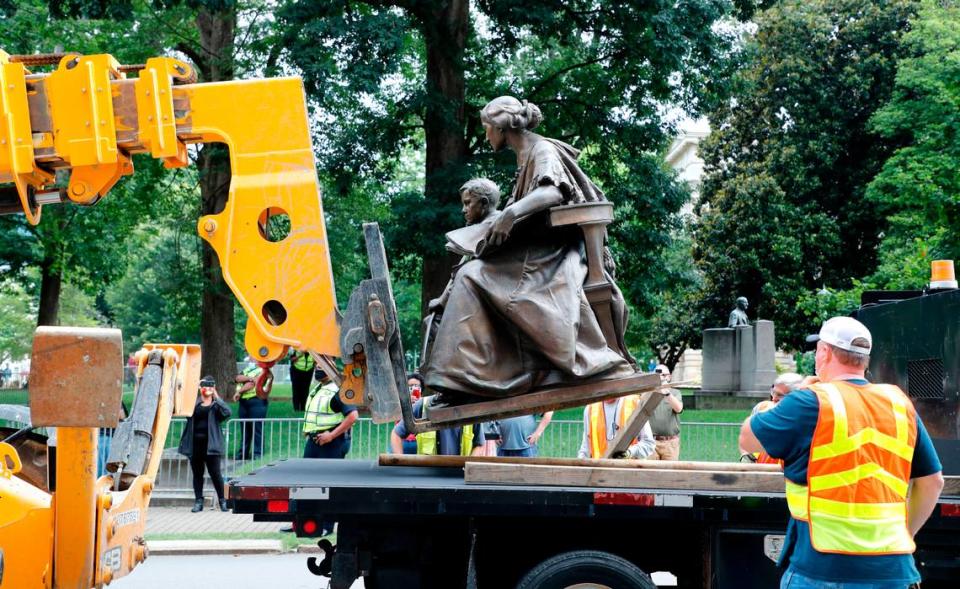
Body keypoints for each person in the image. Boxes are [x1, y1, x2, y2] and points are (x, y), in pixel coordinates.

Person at [422, 96, 634, 400]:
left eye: (486, 128)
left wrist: (510, 214)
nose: (485, 136)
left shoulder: (541, 150)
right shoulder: (524, 156)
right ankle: (467, 379)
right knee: (470, 273)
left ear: (500, 126)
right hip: (535, 253)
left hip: (552, 257)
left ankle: (466, 379)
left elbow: (552, 191)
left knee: (471, 276)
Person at [739, 316, 944, 588]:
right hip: (893, 568)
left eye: (817, 349)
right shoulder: (898, 403)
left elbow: (748, 439)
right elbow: (933, 482)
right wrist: (904, 534)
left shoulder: (811, 400)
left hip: (823, 570)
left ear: (824, 353)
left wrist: (798, 392)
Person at [177, 376, 232, 513]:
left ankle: (223, 500)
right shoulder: (194, 403)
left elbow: (227, 412)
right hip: (195, 445)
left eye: (210, 386)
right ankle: (198, 501)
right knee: (197, 474)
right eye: (204, 386)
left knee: (215, 474)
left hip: (211, 446)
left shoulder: (216, 405)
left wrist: (216, 395)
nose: (207, 388)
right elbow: (182, 408)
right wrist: (194, 389)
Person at [740, 372, 804, 464]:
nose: (774, 398)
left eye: (780, 395)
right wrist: (746, 456)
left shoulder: (803, 417)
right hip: (760, 470)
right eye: (773, 392)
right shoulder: (761, 408)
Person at [390, 396, 486, 456]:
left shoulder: (470, 410)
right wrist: (400, 462)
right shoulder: (423, 405)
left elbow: (480, 444)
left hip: (458, 475)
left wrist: (468, 466)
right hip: (427, 477)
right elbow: (396, 434)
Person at [577, 395, 656, 459]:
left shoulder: (634, 403)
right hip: (600, 473)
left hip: (628, 473)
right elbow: (586, 449)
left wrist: (629, 452)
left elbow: (648, 443)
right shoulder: (590, 409)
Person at [302, 369, 358, 459]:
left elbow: (353, 416)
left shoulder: (340, 388)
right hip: (314, 442)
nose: (317, 367)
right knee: (306, 472)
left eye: (321, 365)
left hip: (332, 444)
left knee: (329, 473)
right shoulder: (318, 388)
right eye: (316, 364)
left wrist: (331, 436)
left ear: (332, 365)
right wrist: (309, 430)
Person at [647, 365, 683, 461]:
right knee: (650, 473)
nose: (661, 377)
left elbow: (679, 409)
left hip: (670, 443)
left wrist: (667, 392)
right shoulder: (649, 393)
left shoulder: (675, 393)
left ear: (669, 377)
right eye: (657, 375)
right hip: (651, 442)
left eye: (663, 375)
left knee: (669, 473)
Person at [235, 364, 268, 461]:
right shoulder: (248, 368)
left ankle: (258, 454)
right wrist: (250, 378)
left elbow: (254, 383)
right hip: (244, 403)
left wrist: (239, 392)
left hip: (257, 401)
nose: (251, 356)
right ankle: (242, 454)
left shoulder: (265, 369)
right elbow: (237, 378)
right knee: (245, 429)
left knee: (257, 429)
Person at [398, 373, 424, 454]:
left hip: (419, 442)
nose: (413, 388)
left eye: (416, 386)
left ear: (421, 389)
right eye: (410, 386)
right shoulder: (399, 402)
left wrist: (419, 404)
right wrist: (406, 404)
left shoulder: (425, 403)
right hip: (401, 441)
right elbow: (396, 418)